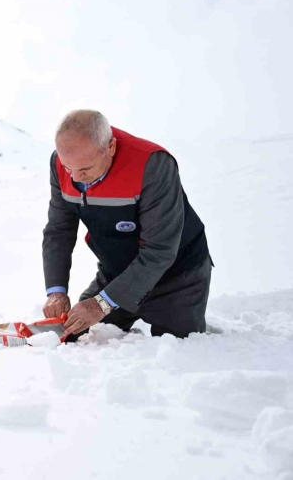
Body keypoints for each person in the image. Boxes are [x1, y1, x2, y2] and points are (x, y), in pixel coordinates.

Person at [41, 110, 212, 341]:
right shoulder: (63, 164)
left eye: (85, 170)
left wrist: (101, 304)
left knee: (176, 352)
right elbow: (59, 231)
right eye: (69, 168)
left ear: (110, 147)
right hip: (117, 274)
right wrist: (56, 291)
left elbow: (159, 252)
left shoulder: (152, 165)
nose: (76, 178)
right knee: (76, 337)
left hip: (177, 276)